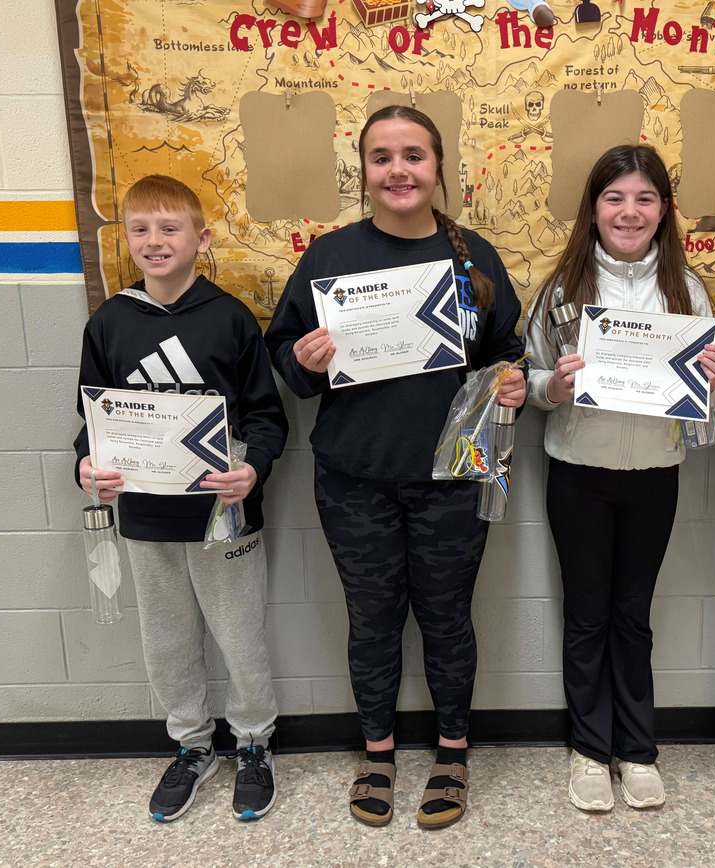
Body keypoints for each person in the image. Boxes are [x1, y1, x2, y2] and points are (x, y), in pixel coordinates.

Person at [264, 105, 526, 829]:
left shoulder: (474, 254)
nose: (399, 170)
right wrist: (303, 362)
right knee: (372, 619)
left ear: (439, 168)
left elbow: (510, 352)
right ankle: (376, 753)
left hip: (455, 476)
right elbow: (285, 362)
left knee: (447, 619)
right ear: (365, 172)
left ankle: (451, 753)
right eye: (383, 157)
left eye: (414, 155)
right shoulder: (328, 256)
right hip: (354, 477)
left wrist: (516, 385)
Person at [74, 175, 289, 822]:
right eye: (140, 229)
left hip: (223, 516)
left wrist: (252, 469)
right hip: (143, 517)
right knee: (165, 641)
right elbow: (92, 421)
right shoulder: (109, 322)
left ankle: (253, 744)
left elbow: (266, 418)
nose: (155, 241)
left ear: (202, 238)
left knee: (240, 635)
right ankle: (191, 746)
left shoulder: (229, 318)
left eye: (170, 228)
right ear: (125, 241)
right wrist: (86, 465)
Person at [526, 145, 715, 812]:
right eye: (615, 198)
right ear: (593, 209)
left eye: (644, 198)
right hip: (579, 472)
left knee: (632, 616)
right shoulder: (562, 290)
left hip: (654, 474)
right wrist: (552, 386)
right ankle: (590, 751)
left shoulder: (687, 290)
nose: (629, 210)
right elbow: (528, 382)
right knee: (586, 616)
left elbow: (705, 399)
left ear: (664, 211)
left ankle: (637, 750)